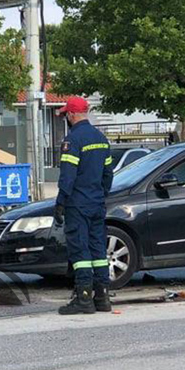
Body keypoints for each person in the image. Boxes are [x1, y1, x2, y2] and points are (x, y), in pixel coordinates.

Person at [55, 97, 114, 315]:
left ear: (71, 115)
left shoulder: (73, 140)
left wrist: (61, 201)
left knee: (80, 250)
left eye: (66, 115)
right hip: (97, 202)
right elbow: (108, 175)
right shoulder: (101, 138)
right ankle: (103, 297)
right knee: (98, 250)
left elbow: (68, 176)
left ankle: (84, 299)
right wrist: (100, 194)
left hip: (78, 204)